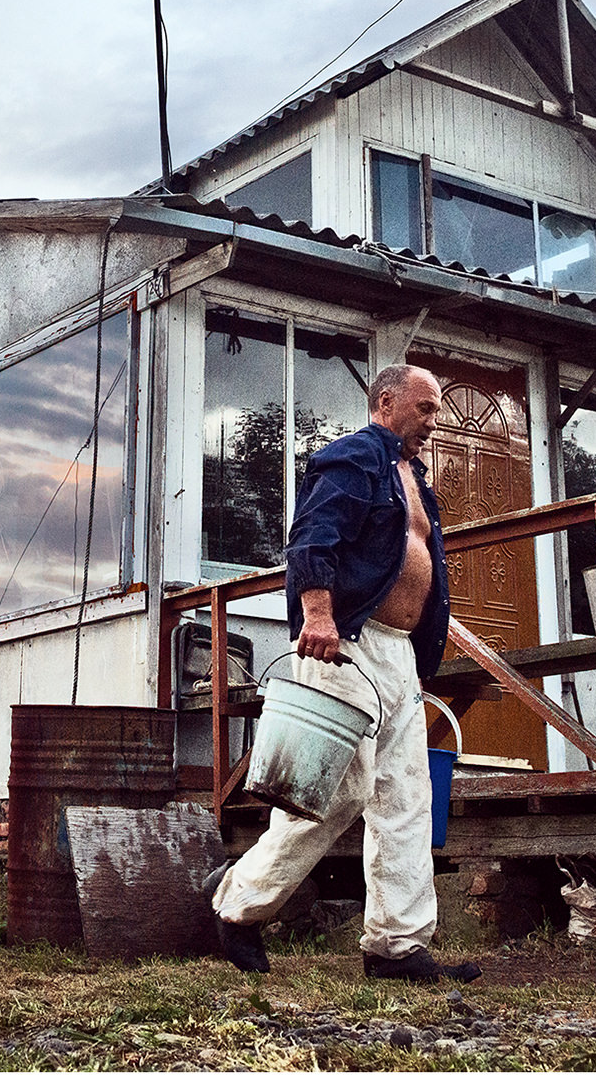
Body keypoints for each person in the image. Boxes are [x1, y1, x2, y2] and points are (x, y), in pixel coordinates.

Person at [206, 363, 482, 983]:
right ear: (387, 401)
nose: (435, 423)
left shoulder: (413, 480)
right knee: (336, 793)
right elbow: (312, 538)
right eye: (427, 408)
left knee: (408, 797)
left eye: (437, 411)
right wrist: (318, 612)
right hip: (347, 644)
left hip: (400, 655)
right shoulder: (355, 457)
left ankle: (397, 946)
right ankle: (237, 903)